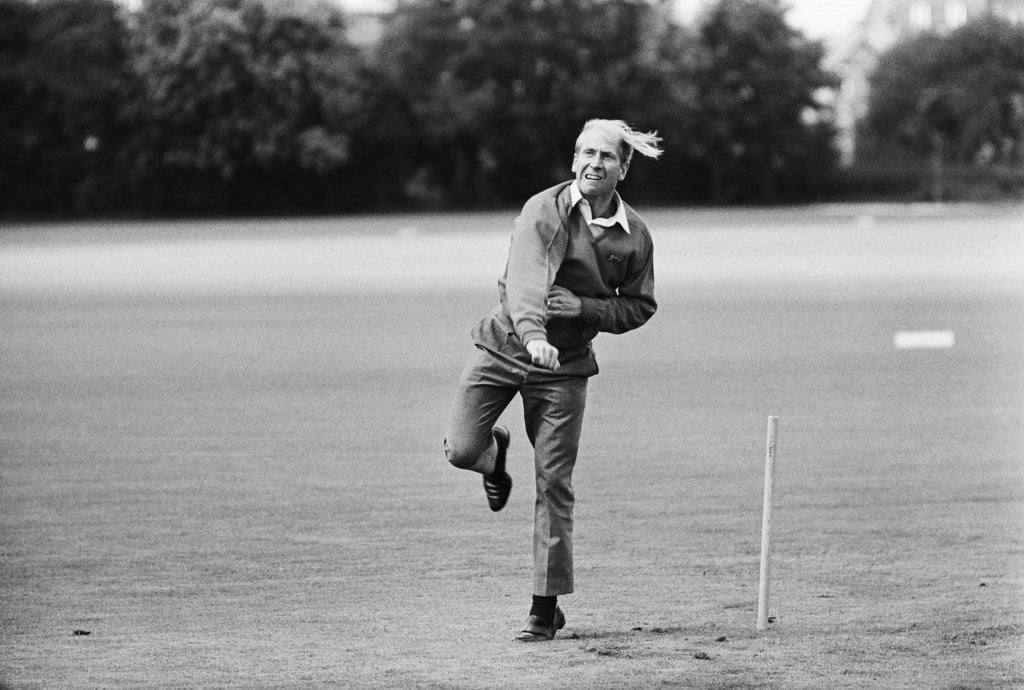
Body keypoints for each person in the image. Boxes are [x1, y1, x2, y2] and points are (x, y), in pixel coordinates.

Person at [443, 118, 662, 642]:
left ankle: (545, 607)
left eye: (606, 156)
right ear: (572, 161)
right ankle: (493, 456)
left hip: (564, 369)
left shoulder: (635, 238)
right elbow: (524, 277)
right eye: (585, 153)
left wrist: (586, 308)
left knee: (554, 484)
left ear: (623, 168)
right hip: (504, 345)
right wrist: (534, 331)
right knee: (460, 450)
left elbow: (640, 305)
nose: (594, 163)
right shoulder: (543, 209)